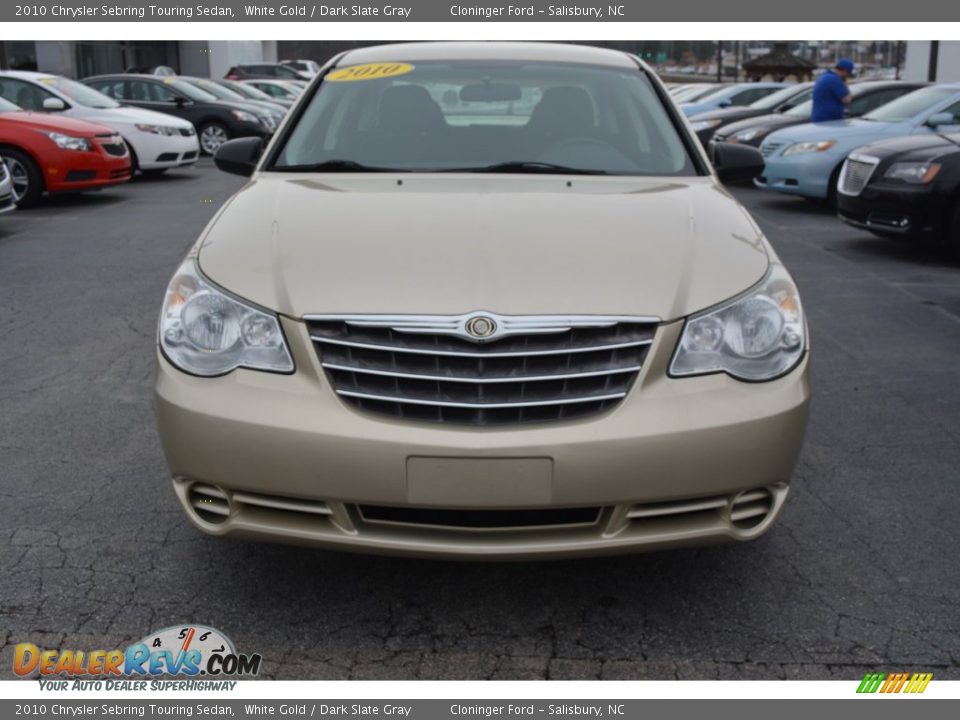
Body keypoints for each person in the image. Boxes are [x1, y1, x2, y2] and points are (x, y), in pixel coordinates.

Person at [811, 58, 855, 122]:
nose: (847, 76)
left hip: (818, 118)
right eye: (848, 74)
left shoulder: (825, 76)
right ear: (845, 71)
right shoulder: (835, 80)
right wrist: (845, 83)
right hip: (829, 120)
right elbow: (847, 100)